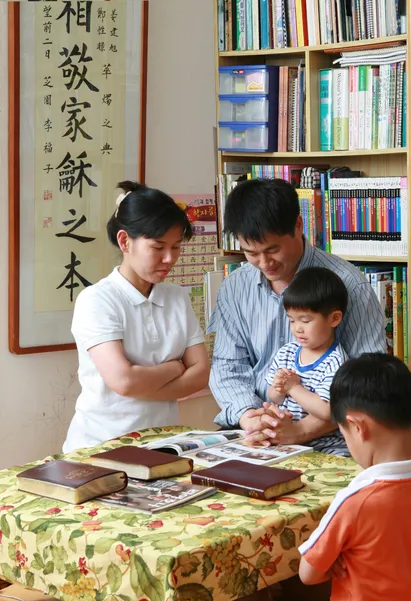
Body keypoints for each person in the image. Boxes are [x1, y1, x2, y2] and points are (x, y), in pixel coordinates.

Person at [227, 354, 411, 601]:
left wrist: (335, 566)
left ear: (358, 427)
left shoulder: (358, 499)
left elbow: (308, 575)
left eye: (343, 431)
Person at [207, 178, 386, 453]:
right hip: (256, 426)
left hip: (330, 434)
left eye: (272, 250)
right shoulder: (235, 287)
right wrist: (252, 418)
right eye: (251, 252)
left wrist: (298, 431)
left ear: (298, 226)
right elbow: (227, 368)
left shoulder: (350, 285)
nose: (264, 264)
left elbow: (366, 385)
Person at [63, 181, 209, 453]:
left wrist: (140, 386)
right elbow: (124, 381)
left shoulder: (177, 297)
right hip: (101, 448)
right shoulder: (97, 300)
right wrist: (175, 368)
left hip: (164, 446)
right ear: (124, 241)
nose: (169, 258)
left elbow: (201, 374)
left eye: (176, 247)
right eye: (158, 247)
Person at [267, 266, 348, 454]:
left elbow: (327, 411)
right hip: (289, 443)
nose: (297, 329)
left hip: (328, 446)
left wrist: (293, 388)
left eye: (305, 321)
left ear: (334, 319)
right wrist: (278, 387)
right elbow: (274, 396)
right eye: (292, 320)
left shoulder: (335, 363)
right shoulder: (287, 353)